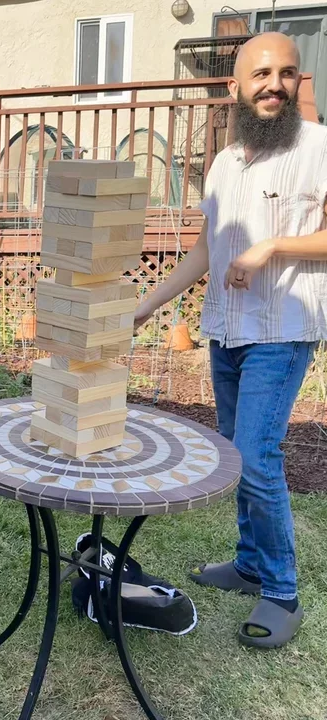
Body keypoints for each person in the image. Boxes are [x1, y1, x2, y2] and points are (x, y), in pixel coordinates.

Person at [135, 32, 327, 648]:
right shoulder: (222, 162)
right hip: (227, 328)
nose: (275, 83)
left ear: (299, 82)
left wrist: (272, 246)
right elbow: (204, 250)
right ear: (235, 88)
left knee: (257, 458)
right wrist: (145, 306)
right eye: (262, 74)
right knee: (235, 451)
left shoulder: (317, 147)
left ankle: (281, 591)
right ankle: (249, 563)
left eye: (287, 73)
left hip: (283, 329)